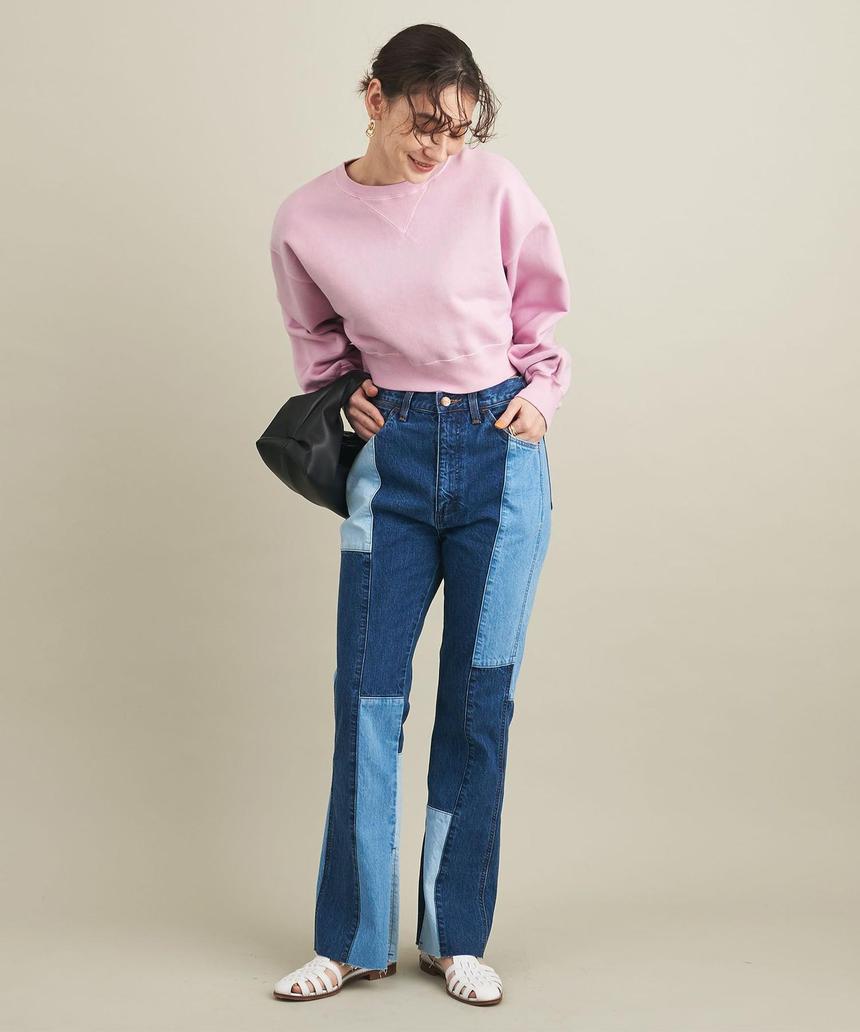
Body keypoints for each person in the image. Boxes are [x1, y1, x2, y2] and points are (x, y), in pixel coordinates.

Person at [268, 23, 570, 1007]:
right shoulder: (306, 219)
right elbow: (316, 345)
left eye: (457, 127)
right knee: (366, 698)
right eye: (424, 122)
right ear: (374, 99)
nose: (440, 145)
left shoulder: (494, 187)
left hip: (499, 458)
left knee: (479, 703)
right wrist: (343, 393)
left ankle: (456, 936)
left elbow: (540, 312)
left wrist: (542, 396)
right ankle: (352, 939)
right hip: (389, 462)